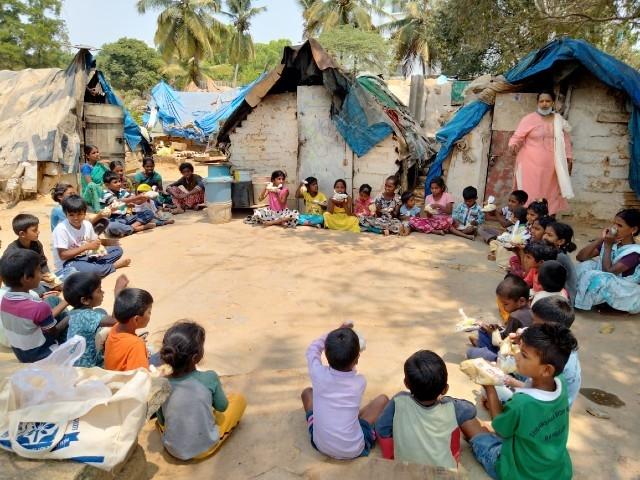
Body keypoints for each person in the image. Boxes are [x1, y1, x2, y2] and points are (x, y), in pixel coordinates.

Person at [466, 323, 576, 480]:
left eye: (524, 355)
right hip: (557, 472)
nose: (516, 356)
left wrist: (489, 386)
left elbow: (500, 428)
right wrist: (510, 381)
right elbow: (531, 390)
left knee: (473, 428)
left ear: (546, 370)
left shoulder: (521, 404)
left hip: (520, 473)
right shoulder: (560, 382)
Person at [375, 350, 481, 469]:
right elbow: (471, 410)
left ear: (406, 383)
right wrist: (446, 399)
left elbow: (381, 428)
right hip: (445, 473)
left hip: (406, 470)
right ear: (445, 389)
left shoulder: (398, 400)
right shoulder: (453, 406)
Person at [157, 321, 247, 460]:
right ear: (195, 358)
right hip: (204, 449)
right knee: (238, 400)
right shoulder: (209, 377)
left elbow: (162, 421)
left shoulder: (159, 384)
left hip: (172, 448)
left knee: (162, 421)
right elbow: (222, 407)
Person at [301, 323, 388, 459]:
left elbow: (312, 349)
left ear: (327, 354)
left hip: (321, 444)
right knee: (383, 400)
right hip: (352, 448)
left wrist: (333, 334)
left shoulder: (317, 373)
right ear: (357, 359)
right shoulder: (359, 382)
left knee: (307, 393)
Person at [503, 297, 581, 408]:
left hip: (547, 407)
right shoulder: (560, 341)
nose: (532, 325)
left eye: (536, 324)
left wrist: (510, 382)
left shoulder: (560, 362)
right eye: (533, 320)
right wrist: (522, 337)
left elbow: (538, 392)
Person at [508, 91, 574, 216]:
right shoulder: (529, 119)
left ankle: (548, 220)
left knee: (551, 193)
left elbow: (565, 141)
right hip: (530, 165)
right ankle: (528, 221)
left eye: (548, 101)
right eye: (541, 101)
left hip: (552, 166)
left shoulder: (558, 120)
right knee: (531, 192)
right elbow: (517, 136)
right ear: (537, 103)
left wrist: (569, 158)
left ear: (553, 103)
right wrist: (513, 145)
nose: (544, 104)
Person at [0, 250, 69, 362]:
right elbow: (54, 332)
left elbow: (33, 317)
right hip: (42, 354)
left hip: (21, 353)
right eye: (38, 270)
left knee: (52, 299)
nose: (41, 274)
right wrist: (68, 318)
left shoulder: (5, 299)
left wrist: (66, 302)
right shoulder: (39, 306)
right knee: (73, 317)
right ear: (27, 278)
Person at [574, 208, 640, 313]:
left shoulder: (634, 252)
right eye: (614, 224)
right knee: (586, 265)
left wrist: (608, 246)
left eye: (620, 225)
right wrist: (601, 239)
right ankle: (578, 295)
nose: (614, 228)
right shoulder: (612, 242)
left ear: (634, 230)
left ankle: (611, 306)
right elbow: (581, 257)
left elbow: (608, 272)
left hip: (626, 293)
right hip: (611, 284)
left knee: (600, 277)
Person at [53, 195, 130, 277]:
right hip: (69, 263)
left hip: (86, 256)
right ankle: (113, 266)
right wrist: (87, 247)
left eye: (79, 214)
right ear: (66, 214)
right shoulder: (61, 229)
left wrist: (98, 247)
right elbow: (63, 255)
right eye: (71, 215)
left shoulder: (87, 225)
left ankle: (95, 266)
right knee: (93, 270)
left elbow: (94, 241)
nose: (76, 218)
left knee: (117, 250)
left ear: (84, 213)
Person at [63, 272, 128, 367]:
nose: (103, 292)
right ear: (85, 300)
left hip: (74, 363)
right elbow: (114, 320)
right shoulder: (87, 316)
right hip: (89, 367)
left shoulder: (74, 312)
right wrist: (118, 292)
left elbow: (61, 325)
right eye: (99, 291)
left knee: (100, 312)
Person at [468, 274, 532, 362]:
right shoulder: (531, 310)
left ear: (521, 301)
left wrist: (490, 330)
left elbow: (503, 341)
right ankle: (481, 345)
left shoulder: (515, 316)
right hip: (520, 350)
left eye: (505, 304)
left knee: (471, 351)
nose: (503, 307)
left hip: (509, 355)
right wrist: (498, 329)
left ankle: (484, 350)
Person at [1, 214, 73, 289]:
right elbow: (13, 276)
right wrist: (41, 277)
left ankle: (51, 287)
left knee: (71, 271)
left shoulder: (36, 244)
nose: (38, 232)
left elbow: (43, 263)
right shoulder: (12, 252)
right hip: (24, 284)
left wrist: (48, 276)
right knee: (38, 289)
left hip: (40, 280)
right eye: (34, 230)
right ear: (22, 234)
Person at [104, 287, 154, 371]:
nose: (150, 314)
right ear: (136, 319)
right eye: (149, 312)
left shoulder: (115, 327)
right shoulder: (136, 344)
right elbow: (140, 379)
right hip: (124, 382)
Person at [543, 222, 578, 303]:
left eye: (549, 235)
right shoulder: (551, 252)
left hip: (564, 295)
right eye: (545, 233)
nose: (544, 237)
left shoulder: (559, 256)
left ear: (561, 241)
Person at [80, 145, 110, 213]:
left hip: (103, 191)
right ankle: (97, 210)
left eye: (97, 152)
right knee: (92, 185)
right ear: (87, 156)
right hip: (91, 194)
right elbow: (90, 184)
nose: (97, 154)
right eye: (93, 153)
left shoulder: (101, 165)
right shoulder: (86, 167)